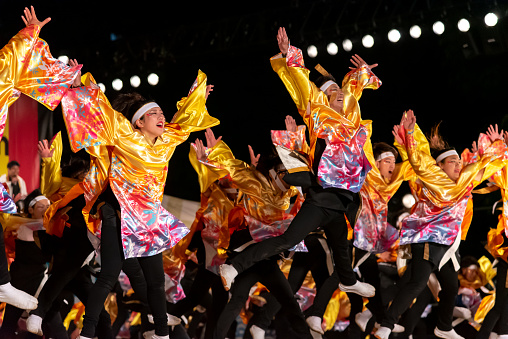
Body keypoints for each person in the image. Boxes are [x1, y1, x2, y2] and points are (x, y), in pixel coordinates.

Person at [219, 27, 380, 300]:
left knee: (342, 242)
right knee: (288, 241)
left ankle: (348, 281)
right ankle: (233, 266)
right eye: (331, 91)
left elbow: (356, 88)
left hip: (344, 198)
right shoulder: (318, 113)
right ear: (322, 97)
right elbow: (305, 84)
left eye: (339, 89)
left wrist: (363, 74)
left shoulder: (352, 115)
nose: (338, 92)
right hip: (322, 197)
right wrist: (290, 54)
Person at [60, 64, 218, 339]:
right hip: (118, 216)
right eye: (153, 113)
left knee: (156, 282)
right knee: (109, 276)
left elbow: (185, 122)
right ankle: (86, 334)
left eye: (160, 112)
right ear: (138, 122)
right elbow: (103, 112)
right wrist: (78, 86)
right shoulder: (124, 136)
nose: (161, 116)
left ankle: (161, 334)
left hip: (147, 220)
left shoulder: (167, 140)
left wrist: (198, 96)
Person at [375, 111, 508, 339]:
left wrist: (499, 145)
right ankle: (386, 325)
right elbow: (418, 159)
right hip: (428, 239)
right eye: (452, 162)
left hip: (447, 244)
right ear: (439, 166)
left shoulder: (465, 180)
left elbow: (488, 167)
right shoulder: (433, 177)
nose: (458, 165)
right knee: (417, 283)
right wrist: (410, 132)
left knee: (450, 287)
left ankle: (444, 327)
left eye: (459, 161)